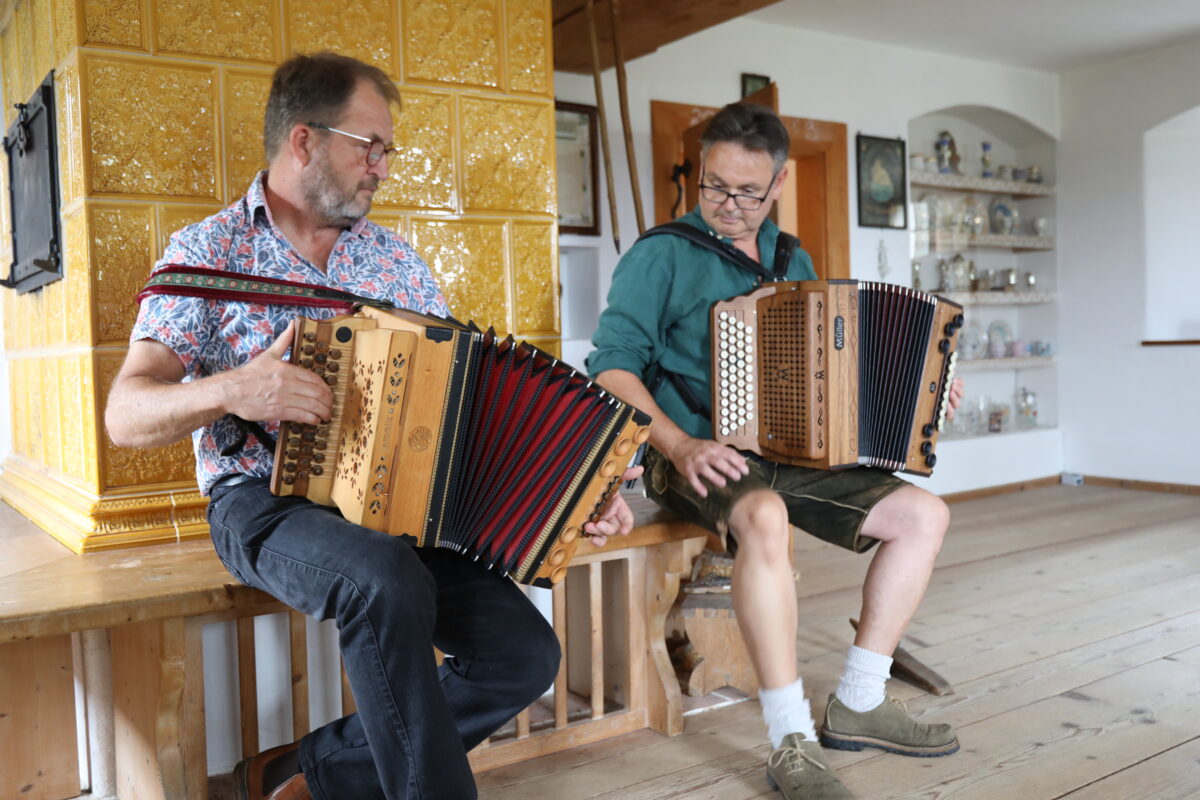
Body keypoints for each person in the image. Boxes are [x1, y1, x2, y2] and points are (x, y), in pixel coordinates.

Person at [105, 51, 638, 800]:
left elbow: (475, 406)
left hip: (398, 506)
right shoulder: (209, 252)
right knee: (383, 579)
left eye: (386, 149)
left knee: (523, 654)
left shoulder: (394, 261)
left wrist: (580, 491)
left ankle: (309, 772)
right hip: (261, 505)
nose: (383, 166)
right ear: (303, 141)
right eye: (371, 145)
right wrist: (235, 388)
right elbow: (126, 414)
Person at [588, 102, 964, 800]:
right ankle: (789, 736)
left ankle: (859, 697)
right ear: (699, 173)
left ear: (780, 181)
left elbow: (834, 372)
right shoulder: (661, 254)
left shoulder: (795, 259)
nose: (728, 205)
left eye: (747, 192)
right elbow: (611, 368)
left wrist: (925, 390)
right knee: (761, 514)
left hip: (792, 450)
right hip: (693, 449)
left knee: (923, 516)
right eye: (714, 186)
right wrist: (680, 442)